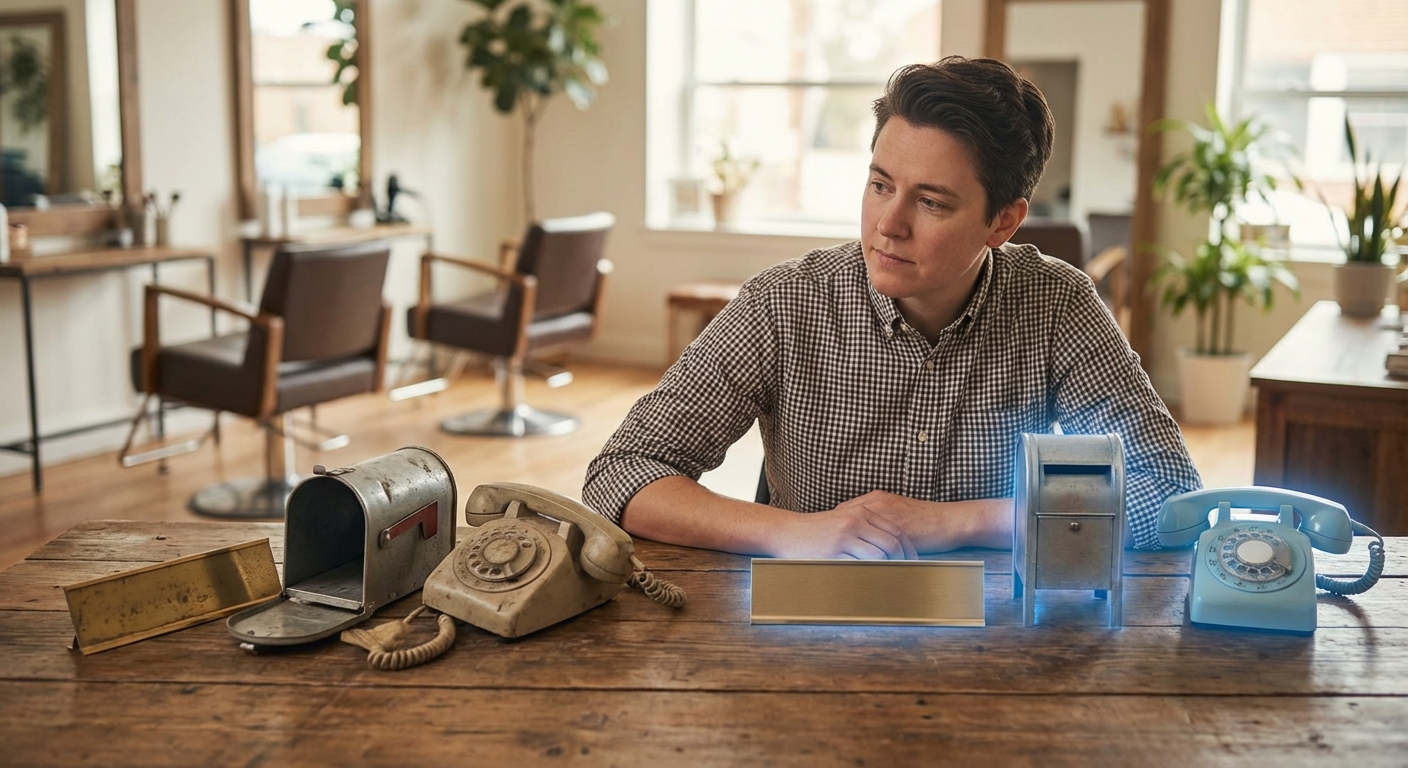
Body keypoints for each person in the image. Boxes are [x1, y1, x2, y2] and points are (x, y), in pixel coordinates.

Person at [584, 56, 1201, 559]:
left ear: (1004, 222)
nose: (887, 225)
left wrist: (957, 523)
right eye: (880, 185)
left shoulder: (1057, 305)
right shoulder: (786, 301)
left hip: (995, 629)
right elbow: (620, 474)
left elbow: (1172, 496)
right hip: (806, 625)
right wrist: (796, 531)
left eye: (930, 202)